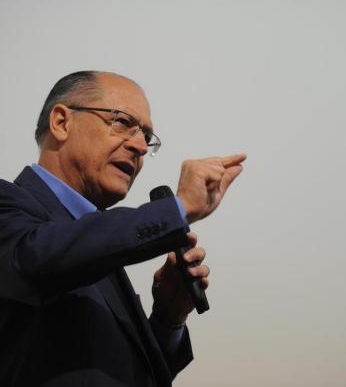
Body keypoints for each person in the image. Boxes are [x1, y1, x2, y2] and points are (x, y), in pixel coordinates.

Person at [0, 71, 246, 387]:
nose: (140, 146)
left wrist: (168, 319)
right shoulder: (14, 209)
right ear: (62, 122)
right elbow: (35, 257)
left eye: (146, 136)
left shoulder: (99, 249)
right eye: (122, 122)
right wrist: (180, 207)